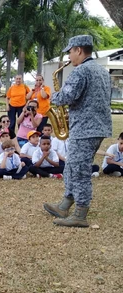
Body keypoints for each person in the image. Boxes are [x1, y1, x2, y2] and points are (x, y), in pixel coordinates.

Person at [43, 35, 112, 228]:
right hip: (97, 127)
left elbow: (67, 96)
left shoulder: (81, 71)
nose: (69, 56)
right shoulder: (102, 71)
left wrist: (52, 95)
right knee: (72, 166)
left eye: (71, 51)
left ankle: (80, 213)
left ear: (79, 50)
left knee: (79, 170)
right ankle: (65, 204)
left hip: (84, 128)